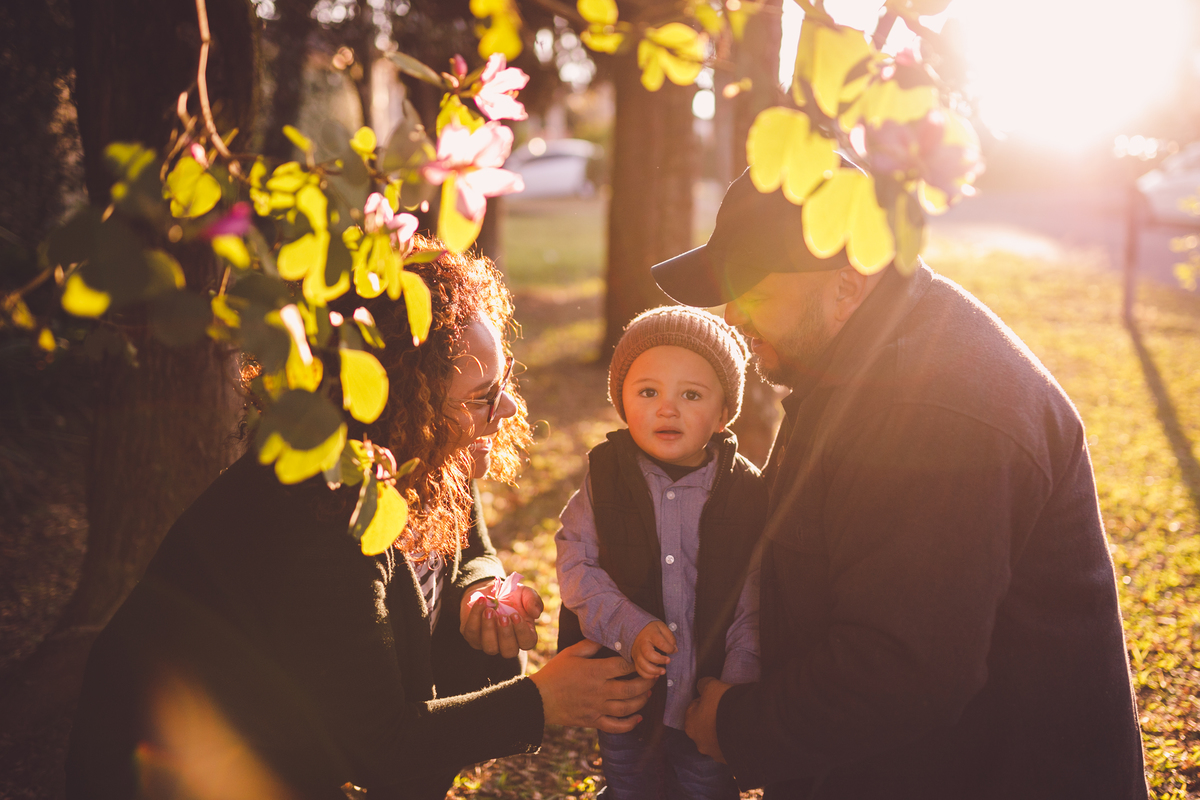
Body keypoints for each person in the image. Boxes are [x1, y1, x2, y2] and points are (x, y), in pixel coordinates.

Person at [65, 238, 654, 800]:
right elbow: (380, 743)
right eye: (479, 396)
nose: (504, 408)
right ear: (402, 404)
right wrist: (542, 702)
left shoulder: (425, 460)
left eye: (501, 383)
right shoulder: (317, 521)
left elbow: (472, 548)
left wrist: (480, 590)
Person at [650, 169, 1149, 799]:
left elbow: (903, 670)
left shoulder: (935, 411)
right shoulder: (856, 363)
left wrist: (736, 724)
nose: (731, 319)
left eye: (752, 293)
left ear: (848, 286)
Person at [556, 306, 768, 800]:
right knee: (631, 787)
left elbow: (753, 602)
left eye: (691, 395)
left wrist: (731, 695)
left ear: (722, 415)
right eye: (648, 392)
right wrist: (627, 625)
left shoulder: (747, 493)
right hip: (627, 697)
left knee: (705, 789)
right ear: (622, 401)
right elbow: (575, 562)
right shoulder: (605, 476)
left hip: (704, 699)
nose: (666, 409)